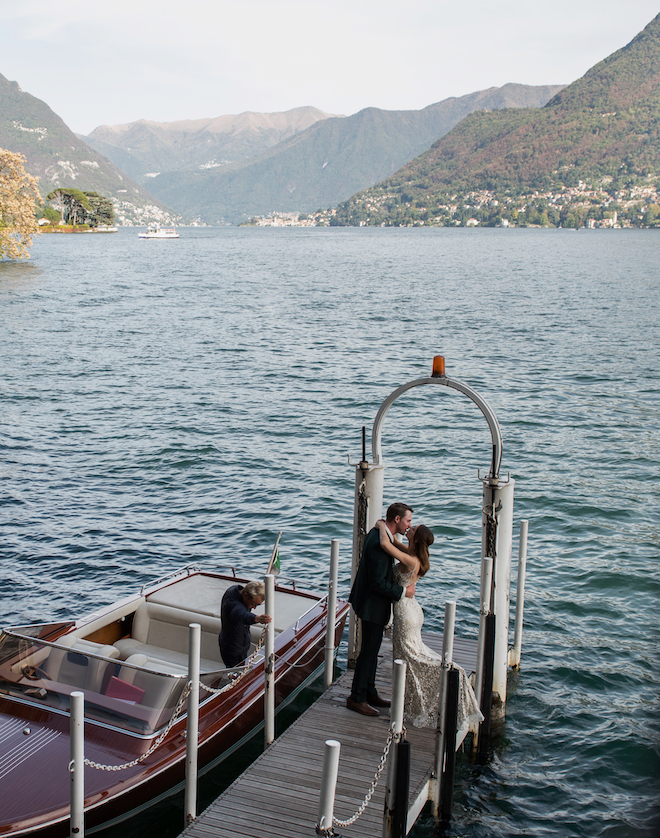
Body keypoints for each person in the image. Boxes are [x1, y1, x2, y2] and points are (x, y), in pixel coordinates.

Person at [375, 520, 482, 730]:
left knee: (408, 658)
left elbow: (387, 546)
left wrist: (380, 527)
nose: (410, 528)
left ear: (416, 538)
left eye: (413, 529)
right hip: (412, 609)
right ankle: (409, 704)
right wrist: (391, 531)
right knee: (412, 655)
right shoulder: (414, 556)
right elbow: (395, 542)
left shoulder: (411, 560)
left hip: (406, 612)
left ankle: (449, 678)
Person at [347, 502, 417, 716]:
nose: (408, 525)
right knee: (369, 651)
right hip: (372, 604)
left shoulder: (379, 532)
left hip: (368, 601)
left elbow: (391, 546)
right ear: (397, 519)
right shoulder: (380, 542)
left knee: (372, 648)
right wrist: (403, 593)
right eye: (408, 520)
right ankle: (357, 697)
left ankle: (369, 691)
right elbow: (378, 582)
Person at [218, 580, 272, 667]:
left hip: (240, 643)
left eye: (257, 605)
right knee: (235, 674)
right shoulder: (233, 605)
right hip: (233, 649)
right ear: (245, 595)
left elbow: (256, 590)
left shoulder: (237, 590)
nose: (254, 607)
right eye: (253, 604)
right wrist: (258, 618)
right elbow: (242, 615)